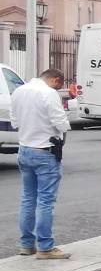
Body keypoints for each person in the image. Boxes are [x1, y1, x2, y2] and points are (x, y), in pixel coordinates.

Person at [11, 67, 71, 259]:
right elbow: (61, 123)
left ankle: (26, 245)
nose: (59, 88)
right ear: (54, 80)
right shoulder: (49, 93)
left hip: (24, 150)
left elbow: (14, 122)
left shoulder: (19, 91)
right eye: (59, 85)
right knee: (45, 201)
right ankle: (45, 247)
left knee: (28, 199)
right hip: (45, 152)